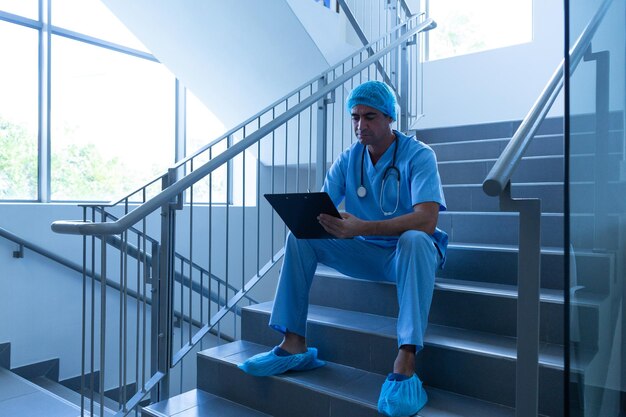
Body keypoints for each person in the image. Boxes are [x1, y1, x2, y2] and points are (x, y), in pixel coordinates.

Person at [239, 80, 448, 417]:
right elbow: (323, 209)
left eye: (370, 117)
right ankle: (293, 342)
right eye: (355, 117)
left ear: (389, 118)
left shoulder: (419, 155)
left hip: (407, 257)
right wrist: (311, 218)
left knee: (415, 239)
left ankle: (406, 357)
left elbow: (426, 220)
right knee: (300, 237)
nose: (360, 126)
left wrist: (360, 227)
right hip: (366, 251)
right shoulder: (348, 160)